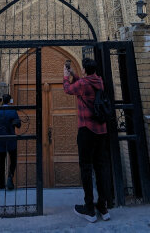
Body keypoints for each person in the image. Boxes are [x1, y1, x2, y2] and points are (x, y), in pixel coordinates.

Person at [63, 57, 110, 223]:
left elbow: (68, 89)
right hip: (101, 131)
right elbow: (84, 84)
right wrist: (75, 74)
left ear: (84, 69)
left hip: (87, 129)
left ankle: (89, 209)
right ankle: (103, 207)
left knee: (86, 168)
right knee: (100, 167)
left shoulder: (83, 84)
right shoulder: (99, 81)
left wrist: (65, 76)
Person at [0, 94, 21, 190]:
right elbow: (18, 125)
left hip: (1, 140)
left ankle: (1, 185)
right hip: (11, 140)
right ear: (9, 101)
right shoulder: (12, 111)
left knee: (1, 163)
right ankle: (10, 177)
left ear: (2, 101)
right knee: (13, 161)